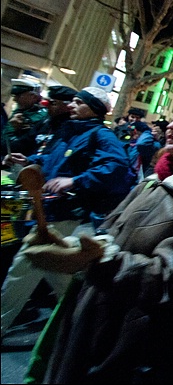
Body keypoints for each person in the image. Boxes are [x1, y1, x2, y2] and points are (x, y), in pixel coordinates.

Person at [21, 96, 173, 383]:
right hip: (92, 315)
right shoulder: (153, 181)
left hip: (134, 337)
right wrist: (71, 248)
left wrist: (105, 261)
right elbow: (109, 236)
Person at [1, 87, 133, 337]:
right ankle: (85, 326)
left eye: (77, 102)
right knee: (59, 276)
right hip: (47, 210)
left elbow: (115, 168)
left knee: (24, 266)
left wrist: (75, 181)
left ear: (92, 108)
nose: (70, 105)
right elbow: (50, 162)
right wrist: (27, 163)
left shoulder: (101, 135)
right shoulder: (70, 131)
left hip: (65, 213)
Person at [2, 79, 48, 158]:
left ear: (33, 96)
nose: (15, 99)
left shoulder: (43, 116)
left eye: (18, 96)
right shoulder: (20, 111)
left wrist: (20, 130)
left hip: (20, 158)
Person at [31, 85, 78, 155]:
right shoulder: (45, 122)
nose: (47, 106)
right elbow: (26, 141)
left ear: (67, 106)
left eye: (53, 103)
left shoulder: (71, 129)